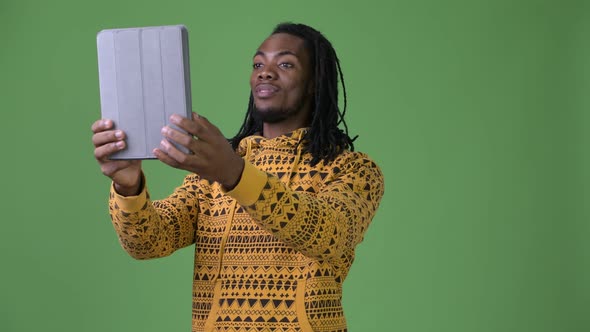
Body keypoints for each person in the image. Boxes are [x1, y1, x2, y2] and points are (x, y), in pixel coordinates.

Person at [92, 22, 384, 332]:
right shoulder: (214, 173)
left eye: (285, 64)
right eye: (259, 64)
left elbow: (328, 234)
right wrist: (128, 185)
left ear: (315, 82)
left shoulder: (353, 169)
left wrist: (233, 173)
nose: (265, 72)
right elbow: (149, 242)